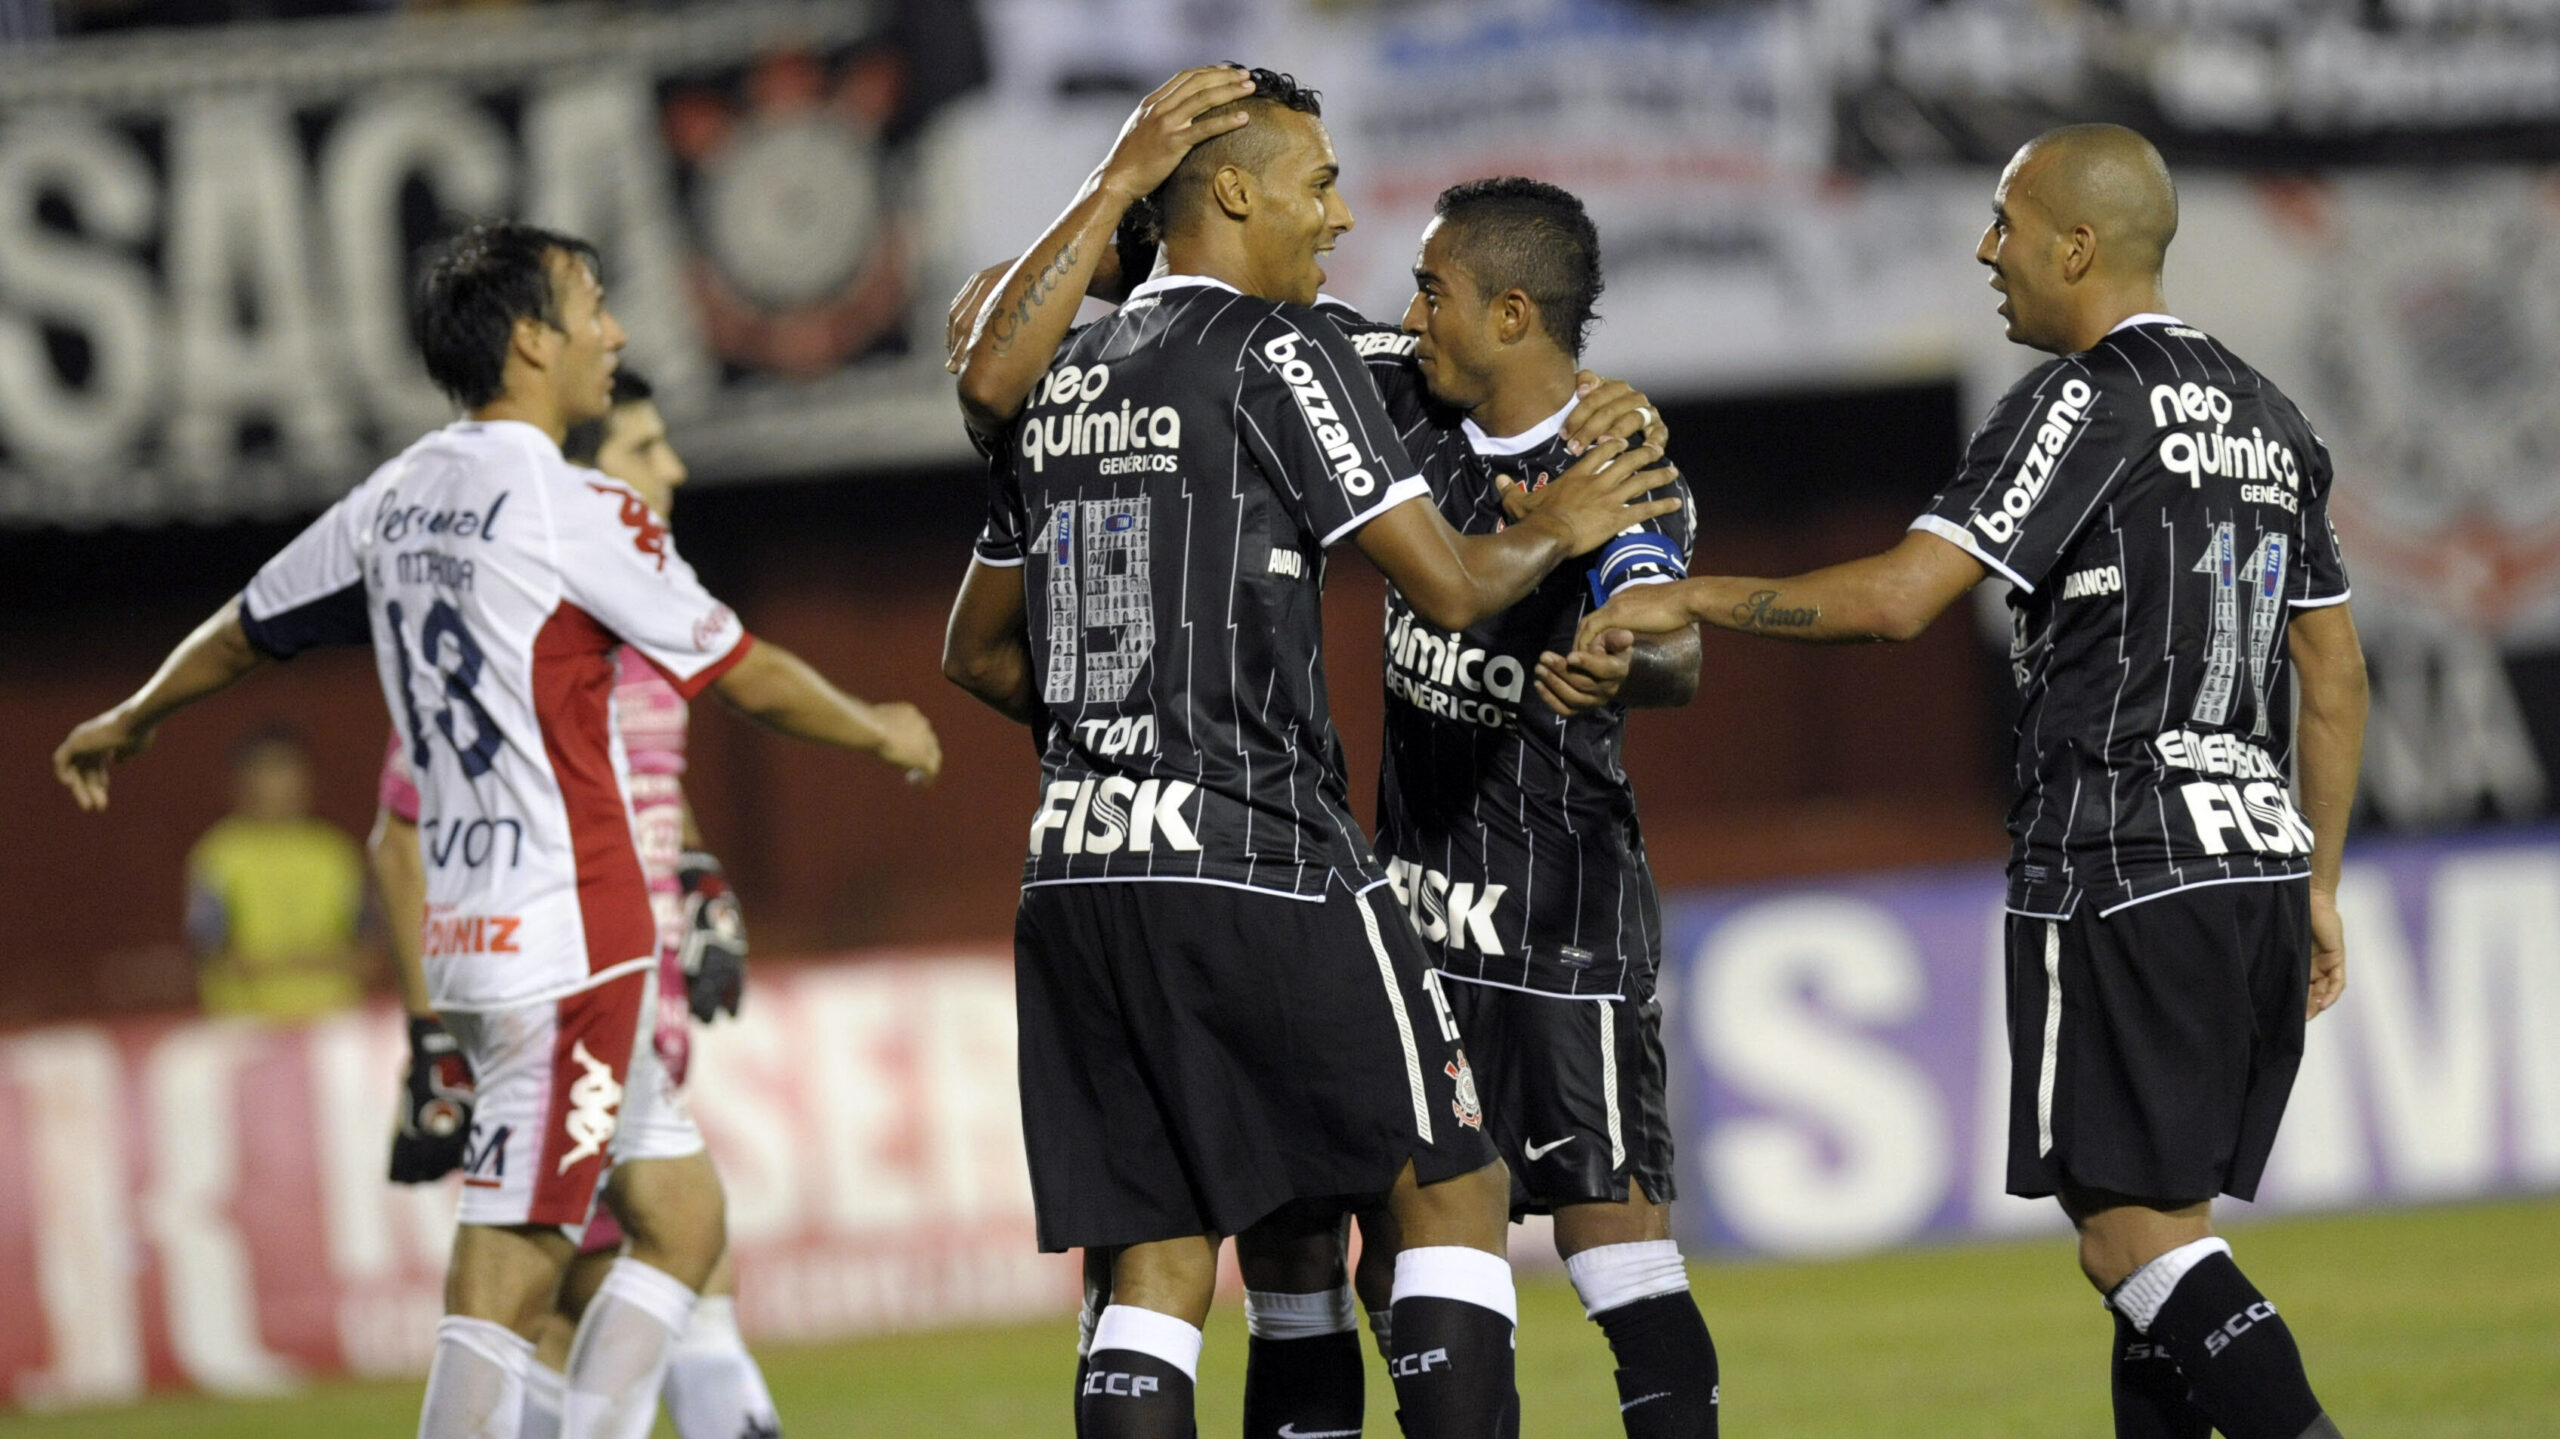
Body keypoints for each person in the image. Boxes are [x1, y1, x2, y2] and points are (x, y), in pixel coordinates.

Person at [53, 217, 941, 1439]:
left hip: (484, 937)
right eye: (592, 305)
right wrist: (880, 726)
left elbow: (249, 622)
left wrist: (136, 712)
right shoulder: (573, 506)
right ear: (531, 339)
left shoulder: (399, 494)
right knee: (511, 1264)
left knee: (683, 1220)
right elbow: (742, 667)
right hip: (568, 940)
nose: (614, 330)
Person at [1572, 124, 2368, 1439]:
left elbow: (1897, 601)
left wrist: (1686, 592)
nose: (1985, 248)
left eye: (2007, 222)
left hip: (2123, 858)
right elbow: (2331, 675)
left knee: (2133, 1247)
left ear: (2078, 243)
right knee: (2159, 1247)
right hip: (2259, 865)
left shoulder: (2084, 399)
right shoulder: (2271, 418)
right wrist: (2323, 882)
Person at [943, 64, 1680, 1439]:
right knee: (1449, 1186)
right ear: (1229, 190)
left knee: (1160, 1258)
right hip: (1262, 852)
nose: (1338, 216)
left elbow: (976, 653)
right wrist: (1567, 519)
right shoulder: (1279, 350)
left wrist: (1123, 737)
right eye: (1320, 184)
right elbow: (1457, 588)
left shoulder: (1052, 374)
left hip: (1079, 872)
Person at [371, 369, 781, 1439]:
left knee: (654, 1285)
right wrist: (433, 1043)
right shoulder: (513, 624)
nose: (672, 467)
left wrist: (694, 875)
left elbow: (638, 773)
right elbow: (398, 839)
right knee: (636, 1287)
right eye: (646, 447)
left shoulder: (638, 606)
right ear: (589, 478)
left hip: (643, 1018)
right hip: (563, 1018)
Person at [186, 723, 374, 1020]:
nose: (279, 784)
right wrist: (315, 962)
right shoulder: (218, 856)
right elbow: (212, 954)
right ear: (241, 781)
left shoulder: (336, 853)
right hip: (248, 1029)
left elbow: (369, 953)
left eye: (287, 770)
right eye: (267, 771)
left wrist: (274, 964)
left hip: (332, 1026)